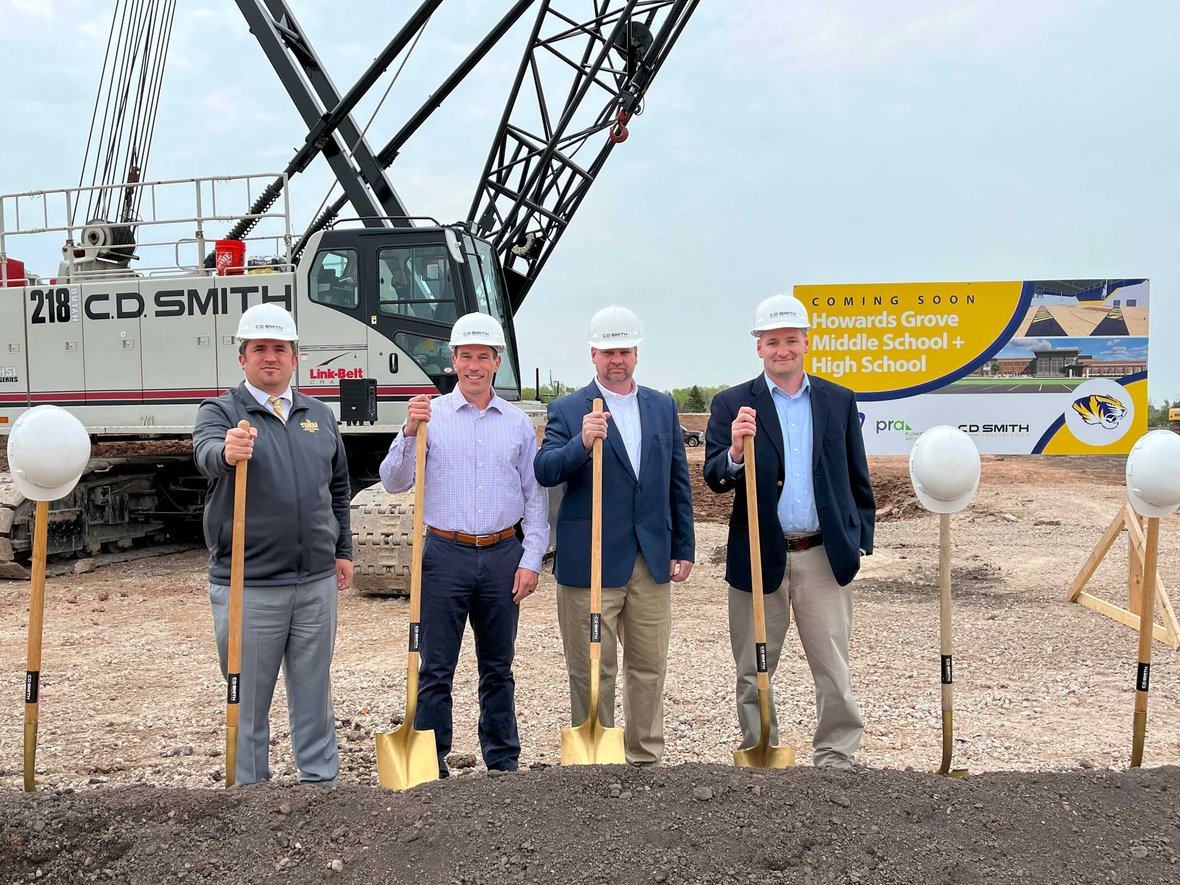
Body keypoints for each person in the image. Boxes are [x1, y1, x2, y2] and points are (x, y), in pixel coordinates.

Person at [704, 293, 875, 770]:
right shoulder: (733, 404)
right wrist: (735, 452)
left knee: (833, 665)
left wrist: (859, 538)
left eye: (791, 340)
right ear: (759, 346)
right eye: (773, 341)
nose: (783, 350)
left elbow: (856, 474)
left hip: (822, 554)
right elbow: (715, 478)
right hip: (759, 554)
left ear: (806, 343)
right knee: (753, 666)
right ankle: (762, 749)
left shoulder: (837, 400)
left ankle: (836, 755)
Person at [379, 312, 548, 778]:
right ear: (453, 360)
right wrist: (407, 432)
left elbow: (535, 498)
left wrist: (531, 558)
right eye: (466, 356)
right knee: (435, 667)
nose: (474, 366)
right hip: (444, 555)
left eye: (483, 357)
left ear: (497, 362)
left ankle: (502, 761)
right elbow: (393, 482)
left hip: (501, 554)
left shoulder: (517, 424)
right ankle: (430, 763)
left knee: (498, 667)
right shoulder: (429, 417)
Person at [192, 302, 353, 785]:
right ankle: (250, 799)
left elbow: (338, 487)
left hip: (315, 584)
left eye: (279, 348)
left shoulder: (318, 415)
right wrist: (226, 452)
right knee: (247, 700)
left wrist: (342, 550)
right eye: (259, 348)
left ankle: (320, 787)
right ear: (242, 358)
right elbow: (205, 453)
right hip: (249, 585)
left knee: (314, 693)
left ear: (294, 357)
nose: (270, 357)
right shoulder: (221, 412)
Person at [535, 306, 694, 765]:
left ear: (636, 353)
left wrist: (683, 545)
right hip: (591, 560)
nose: (616, 360)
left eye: (624, 351)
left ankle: (644, 757)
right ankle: (596, 761)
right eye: (608, 352)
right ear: (593, 354)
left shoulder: (662, 406)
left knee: (649, 665)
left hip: (650, 558)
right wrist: (581, 443)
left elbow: (677, 480)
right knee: (592, 667)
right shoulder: (569, 410)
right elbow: (545, 470)